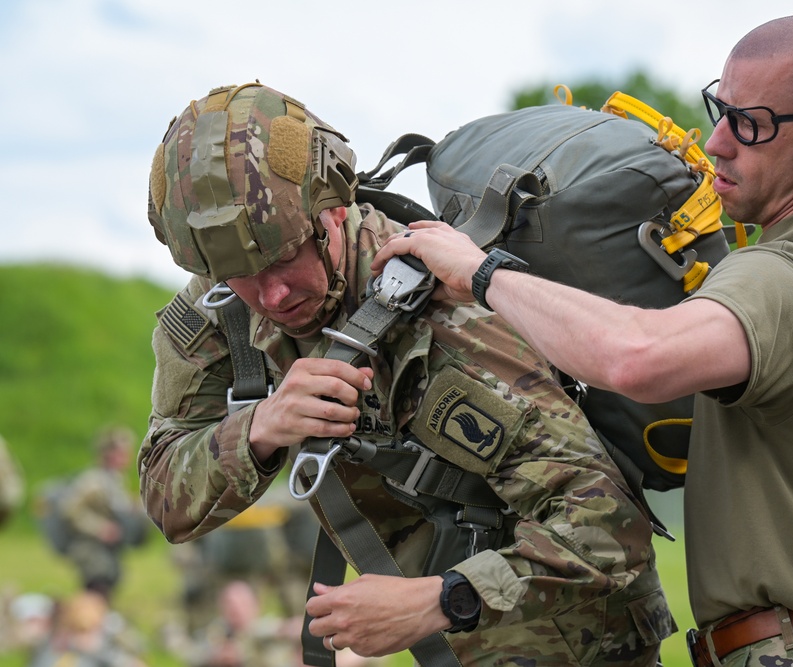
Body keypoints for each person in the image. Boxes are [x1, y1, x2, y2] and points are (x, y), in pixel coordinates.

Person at [372, 12, 793, 667]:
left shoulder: (781, 276)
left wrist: (481, 272)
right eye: (720, 108)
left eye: (751, 123)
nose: (717, 142)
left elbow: (637, 356)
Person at [140, 82, 670, 666]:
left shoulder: (445, 317)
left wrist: (440, 601)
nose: (271, 292)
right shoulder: (217, 315)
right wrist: (261, 427)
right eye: (236, 272)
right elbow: (167, 500)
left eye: (285, 255)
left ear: (334, 210)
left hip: (570, 644)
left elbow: (611, 530)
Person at [60, 426, 148, 600]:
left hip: (108, 549)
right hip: (89, 547)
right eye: (121, 452)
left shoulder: (116, 480)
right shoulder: (93, 481)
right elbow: (69, 510)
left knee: (110, 581)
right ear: (108, 454)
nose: (126, 457)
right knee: (97, 585)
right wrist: (100, 528)